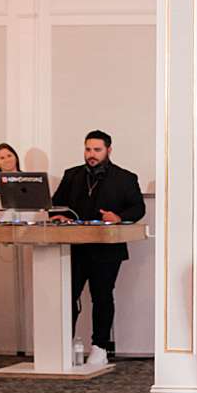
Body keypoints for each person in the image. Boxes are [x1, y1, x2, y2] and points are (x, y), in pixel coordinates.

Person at [49, 130, 145, 360]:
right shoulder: (72, 175)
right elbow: (56, 205)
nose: (91, 155)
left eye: (97, 150)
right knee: (68, 295)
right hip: (74, 247)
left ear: (108, 151)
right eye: (88, 149)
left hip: (107, 249)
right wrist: (60, 216)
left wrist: (118, 217)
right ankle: (64, 344)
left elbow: (138, 208)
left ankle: (100, 346)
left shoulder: (125, 178)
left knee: (101, 296)